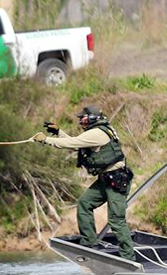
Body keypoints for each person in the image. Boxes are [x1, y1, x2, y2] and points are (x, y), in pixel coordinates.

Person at [33, 105, 135, 260]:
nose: (80, 120)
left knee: (116, 220)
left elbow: (73, 143)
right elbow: (77, 144)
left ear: (93, 118)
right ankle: (89, 242)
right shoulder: (97, 131)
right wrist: (59, 133)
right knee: (84, 203)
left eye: (83, 117)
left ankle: (128, 257)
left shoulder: (97, 133)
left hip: (116, 181)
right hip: (106, 179)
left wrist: (46, 140)